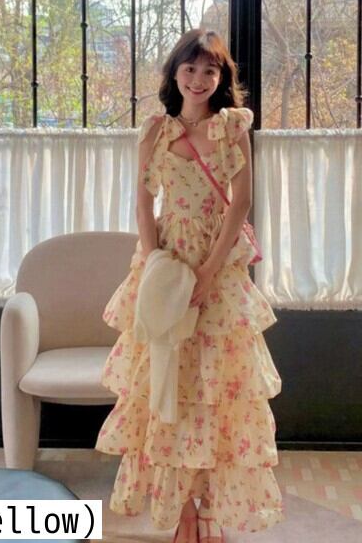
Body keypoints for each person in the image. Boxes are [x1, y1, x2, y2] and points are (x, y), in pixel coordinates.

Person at [95, 28, 285, 543]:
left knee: (217, 389)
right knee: (166, 382)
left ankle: (209, 507)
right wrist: (156, 261)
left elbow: (241, 203)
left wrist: (208, 273)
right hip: (166, 261)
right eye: (190, 68)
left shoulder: (233, 128)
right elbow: (143, 201)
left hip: (218, 264)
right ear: (174, 73)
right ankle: (180, 510)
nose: (199, 79)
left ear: (221, 78)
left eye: (210, 70)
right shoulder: (155, 131)